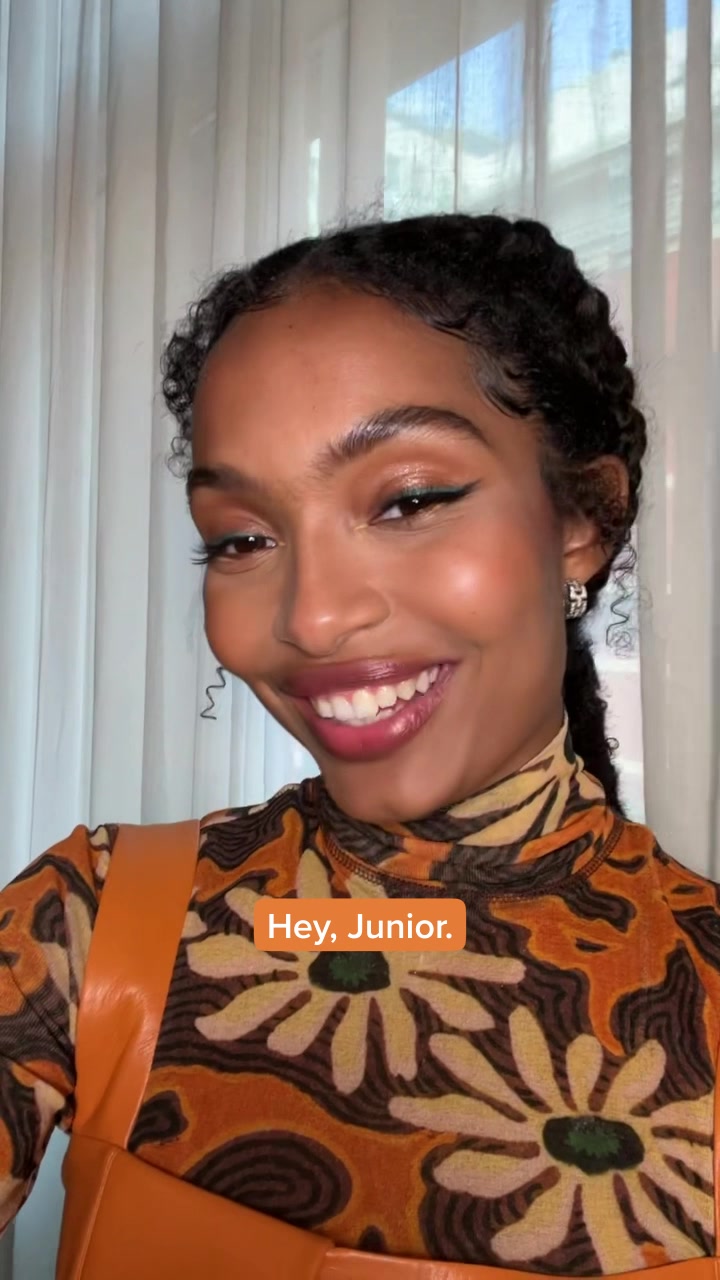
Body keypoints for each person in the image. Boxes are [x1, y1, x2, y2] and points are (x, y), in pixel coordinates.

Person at [0, 213, 717, 1280]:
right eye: (242, 538)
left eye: (410, 500)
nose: (313, 617)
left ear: (582, 520)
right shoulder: (99, 923)